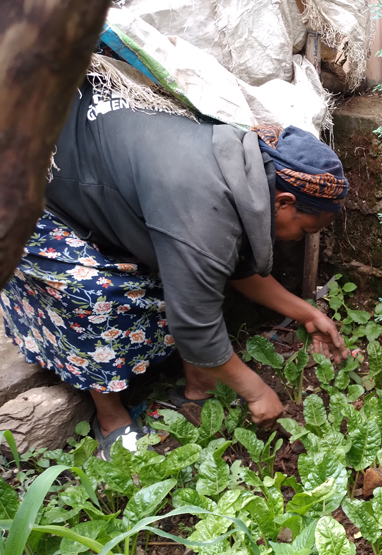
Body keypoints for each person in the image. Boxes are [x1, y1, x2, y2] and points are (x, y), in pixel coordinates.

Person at [0, 78, 349, 459]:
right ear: (283, 202)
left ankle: (198, 386)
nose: (299, 239)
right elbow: (195, 325)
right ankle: (110, 417)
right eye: (306, 229)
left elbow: (221, 264)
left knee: (181, 275)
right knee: (95, 293)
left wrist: (307, 313)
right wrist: (257, 391)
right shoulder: (203, 204)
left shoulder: (241, 164)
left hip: (84, 161)